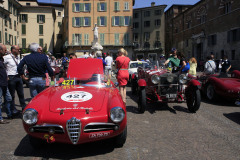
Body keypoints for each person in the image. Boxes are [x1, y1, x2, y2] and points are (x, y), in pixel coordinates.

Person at [3, 45, 26, 113]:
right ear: (13, 50)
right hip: (11, 77)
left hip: (18, 77)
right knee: (12, 95)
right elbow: (2, 66)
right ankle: (13, 109)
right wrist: (6, 75)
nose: (19, 51)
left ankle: (23, 108)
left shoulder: (18, 57)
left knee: (21, 94)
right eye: (18, 49)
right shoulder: (6, 57)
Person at [0, 44, 12, 123]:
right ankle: (0, 118)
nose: (6, 51)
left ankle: (9, 114)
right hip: (0, 83)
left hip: (4, 83)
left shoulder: (2, 59)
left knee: (9, 98)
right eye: (4, 50)